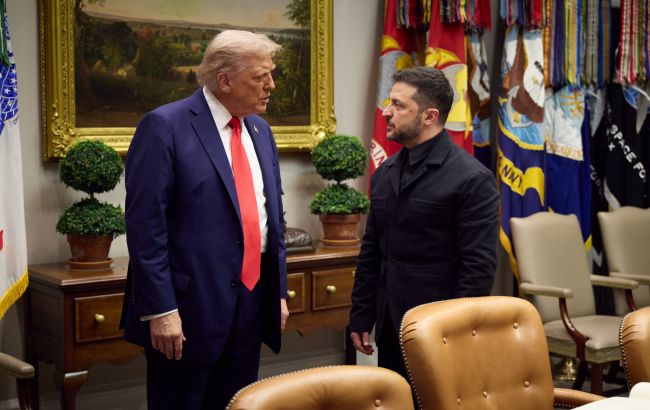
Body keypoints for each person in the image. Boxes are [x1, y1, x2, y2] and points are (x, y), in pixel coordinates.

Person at [120, 30, 289, 409]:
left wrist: (277, 292)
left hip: (251, 301)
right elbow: (146, 228)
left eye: (271, 74)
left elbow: (272, 216)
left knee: (238, 402)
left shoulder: (260, 130)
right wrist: (162, 310)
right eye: (260, 77)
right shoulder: (164, 126)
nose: (271, 85)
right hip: (188, 309)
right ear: (225, 81)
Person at [348, 66, 499, 379]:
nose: (386, 112)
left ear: (430, 116)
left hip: (439, 329)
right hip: (390, 323)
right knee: (398, 399)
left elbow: (478, 269)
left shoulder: (472, 179)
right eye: (389, 102)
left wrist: (452, 330)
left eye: (398, 105)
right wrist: (362, 314)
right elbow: (373, 250)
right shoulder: (385, 172)